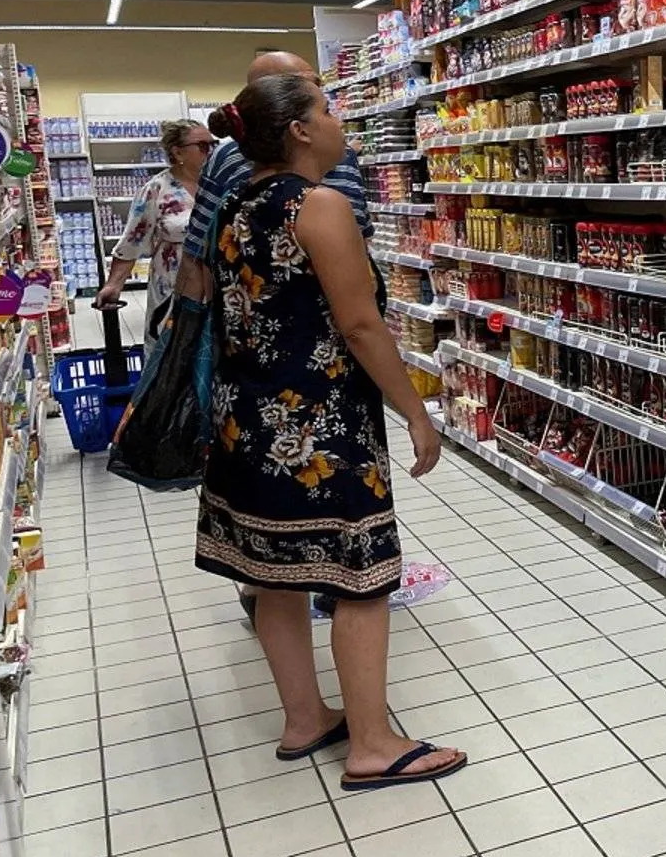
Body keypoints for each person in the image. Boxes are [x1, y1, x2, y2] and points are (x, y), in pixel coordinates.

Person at [198, 74, 465, 790]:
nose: (337, 119)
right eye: (326, 109)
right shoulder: (319, 206)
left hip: (242, 425)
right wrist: (414, 410)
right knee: (361, 577)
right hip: (318, 426)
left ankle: (304, 718)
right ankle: (373, 743)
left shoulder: (232, 205)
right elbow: (359, 324)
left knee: (272, 577)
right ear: (299, 131)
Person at [172, 51, 373, 629]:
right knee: (309, 488)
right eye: (311, 91)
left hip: (300, 366)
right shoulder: (261, 180)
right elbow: (199, 254)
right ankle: (303, 579)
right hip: (301, 364)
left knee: (298, 493)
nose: (323, 99)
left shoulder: (335, 161)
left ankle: (290, 582)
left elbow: (362, 236)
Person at [95, 119, 213, 351]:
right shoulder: (157, 189)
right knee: (171, 350)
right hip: (173, 282)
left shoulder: (219, 185)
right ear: (177, 152)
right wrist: (114, 285)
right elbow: (133, 240)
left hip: (215, 283)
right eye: (202, 145)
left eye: (213, 144)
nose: (210, 151)